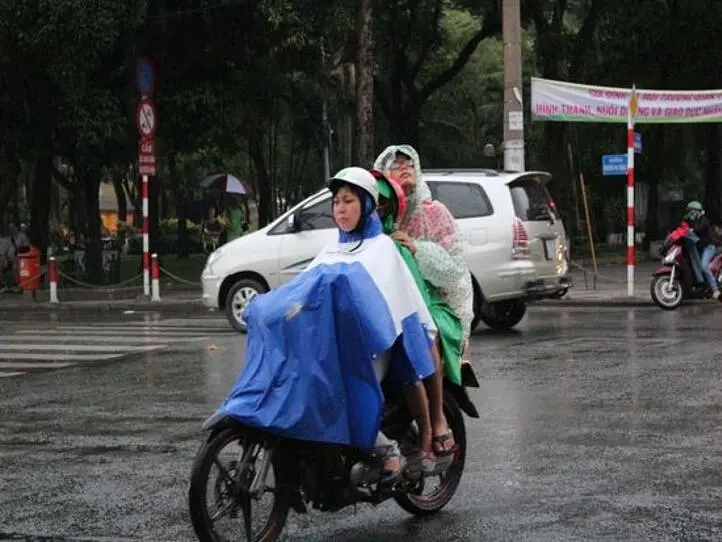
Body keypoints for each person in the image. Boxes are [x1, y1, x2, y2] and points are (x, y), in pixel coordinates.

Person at [218, 166, 439, 481]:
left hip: (371, 346)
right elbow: (307, 286)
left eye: (349, 201)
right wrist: (275, 307)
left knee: (337, 388)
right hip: (330, 342)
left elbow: (383, 302)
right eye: (336, 202)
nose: (340, 208)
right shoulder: (332, 249)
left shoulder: (383, 248)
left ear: (366, 204)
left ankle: (386, 451)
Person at [374, 144, 474, 457]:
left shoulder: (434, 213)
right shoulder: (377, 215)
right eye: (395, 164)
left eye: (408, 163)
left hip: (437, 302)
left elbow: (453, 272)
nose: (403, 168)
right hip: (387, 301)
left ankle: (438, 419)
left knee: (424, 332)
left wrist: (415, 248)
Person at [373, 170, 465, 387]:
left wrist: (416, 250)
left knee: (416, 348)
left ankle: (433, 416)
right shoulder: (349, 243)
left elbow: (450, 273)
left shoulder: (402, 242)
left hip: (419, 311)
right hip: (376, 316)